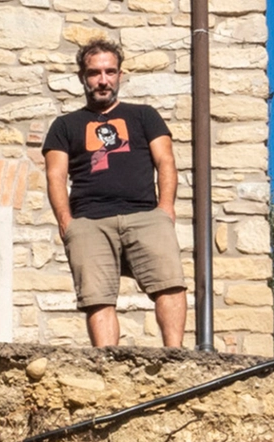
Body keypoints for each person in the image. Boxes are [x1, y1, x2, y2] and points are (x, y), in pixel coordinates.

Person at [42, 39, 186, 347]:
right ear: (83, 77)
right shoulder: (65, 125)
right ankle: (106, 365)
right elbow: (55, 175)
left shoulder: (144, 116)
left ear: (120, 75)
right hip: (89, 221)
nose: (103, 80)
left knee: (169, 283)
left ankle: (176, 356)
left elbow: (166, 161)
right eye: (95, 73)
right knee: (97, 298)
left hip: (146, 215)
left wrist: (166, 209)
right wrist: (67, 222)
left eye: (110, 72)